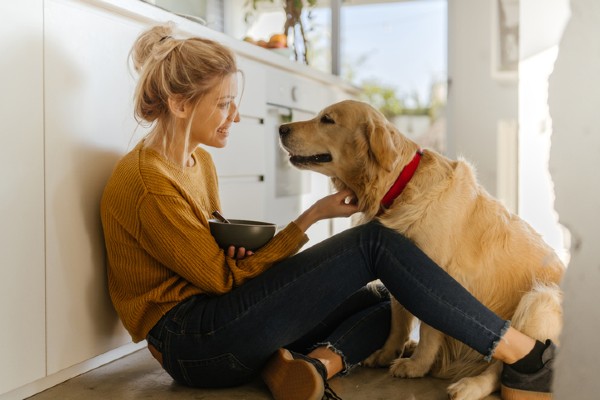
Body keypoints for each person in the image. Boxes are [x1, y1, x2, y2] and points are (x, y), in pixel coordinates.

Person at [100, 24, 556, 400]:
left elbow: (207, 260)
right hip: (194, 345)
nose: (234, 116)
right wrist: (311, 217)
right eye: (223, 103)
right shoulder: (148, 183)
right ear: (180, 105)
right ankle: (524, 354)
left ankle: (313, 367)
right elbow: (219, 281)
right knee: (375, 242)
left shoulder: (197, 161)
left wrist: (240, 255)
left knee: (387, 298)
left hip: (220, 322)